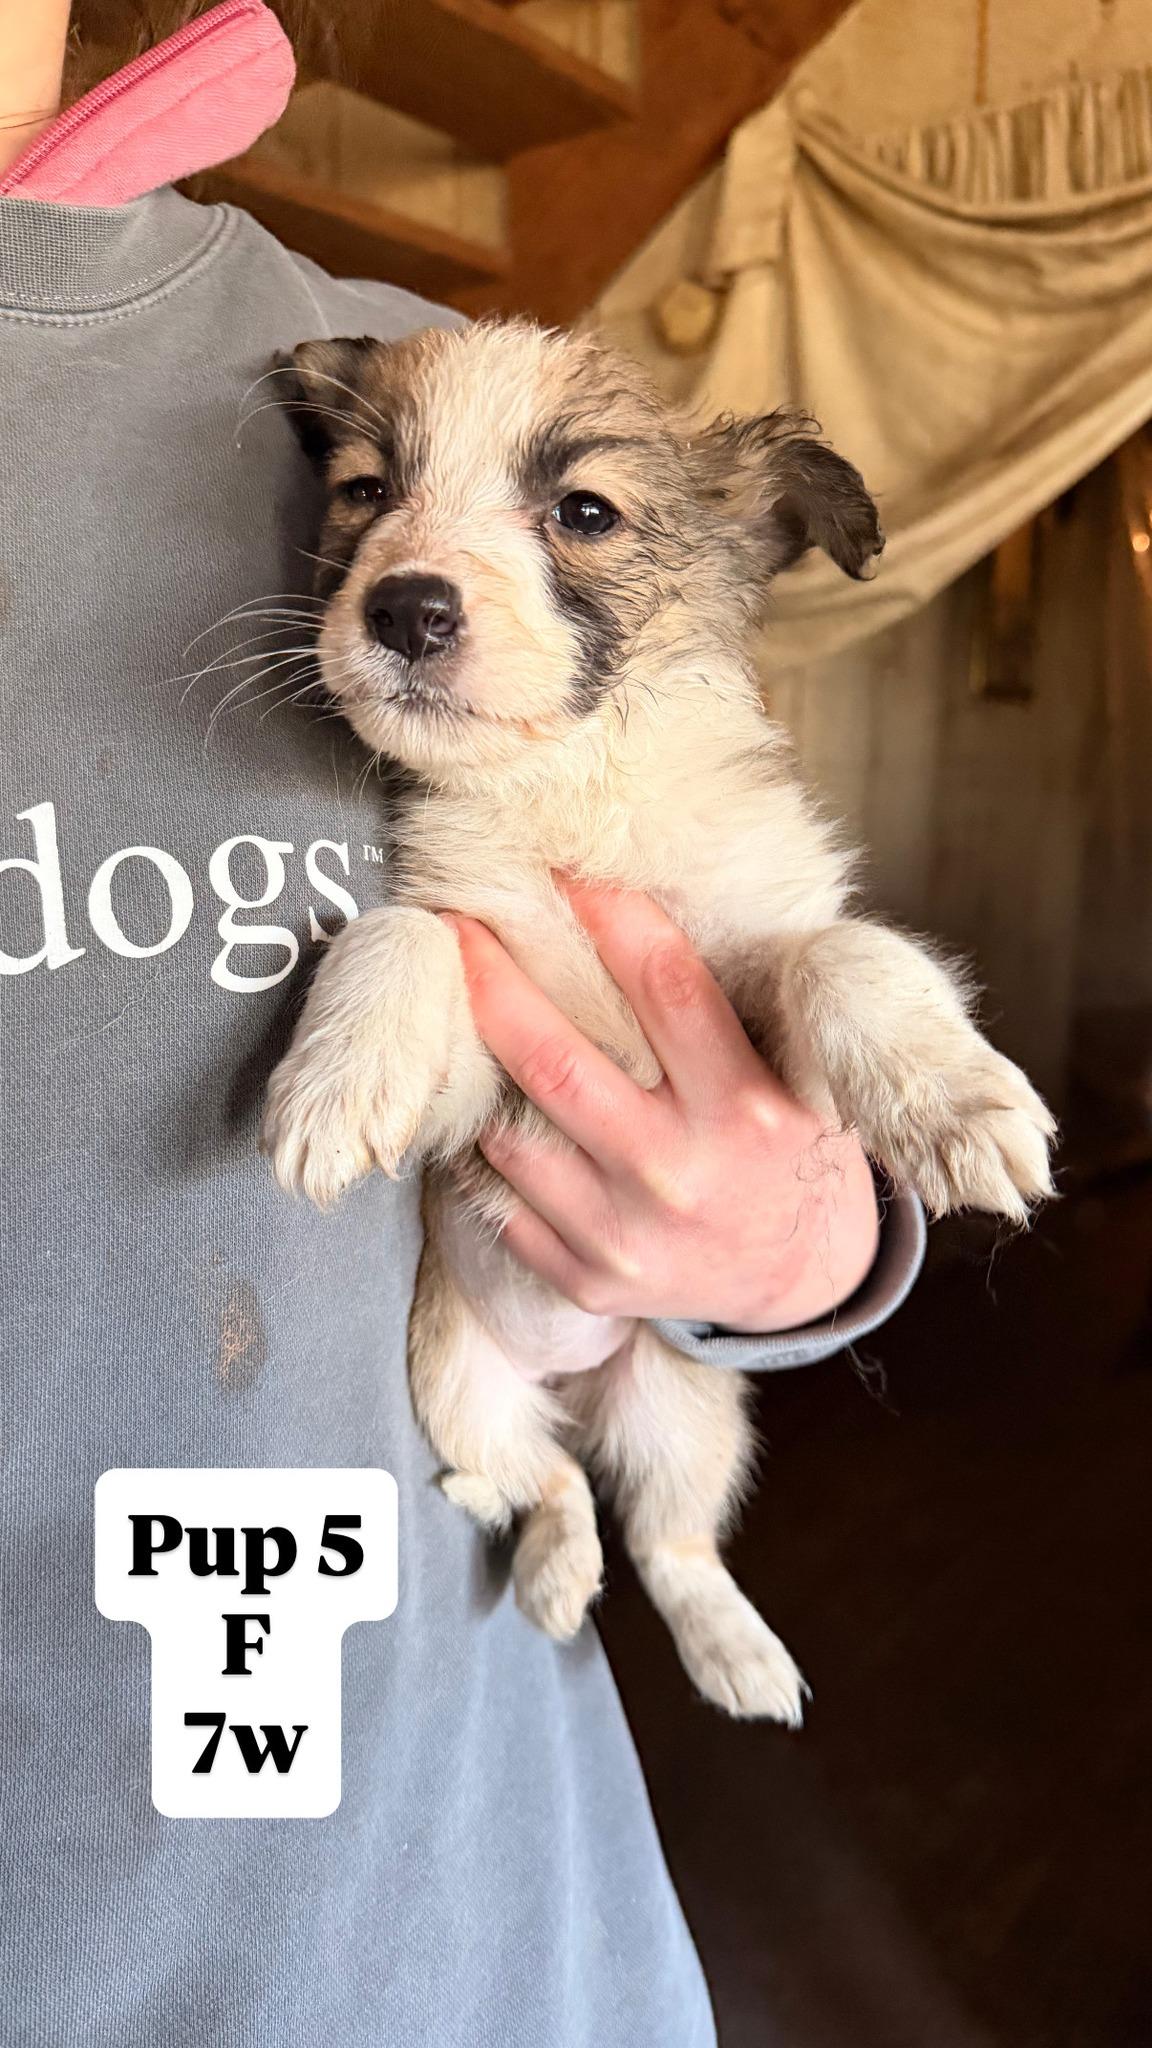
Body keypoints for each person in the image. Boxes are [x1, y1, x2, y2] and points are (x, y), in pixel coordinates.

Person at [0, 4, 924, 2043]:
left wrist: (805, 1246)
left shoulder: (363, 371)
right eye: (371, 501)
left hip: (454, 1917)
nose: (415, 551)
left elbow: (695, 939)